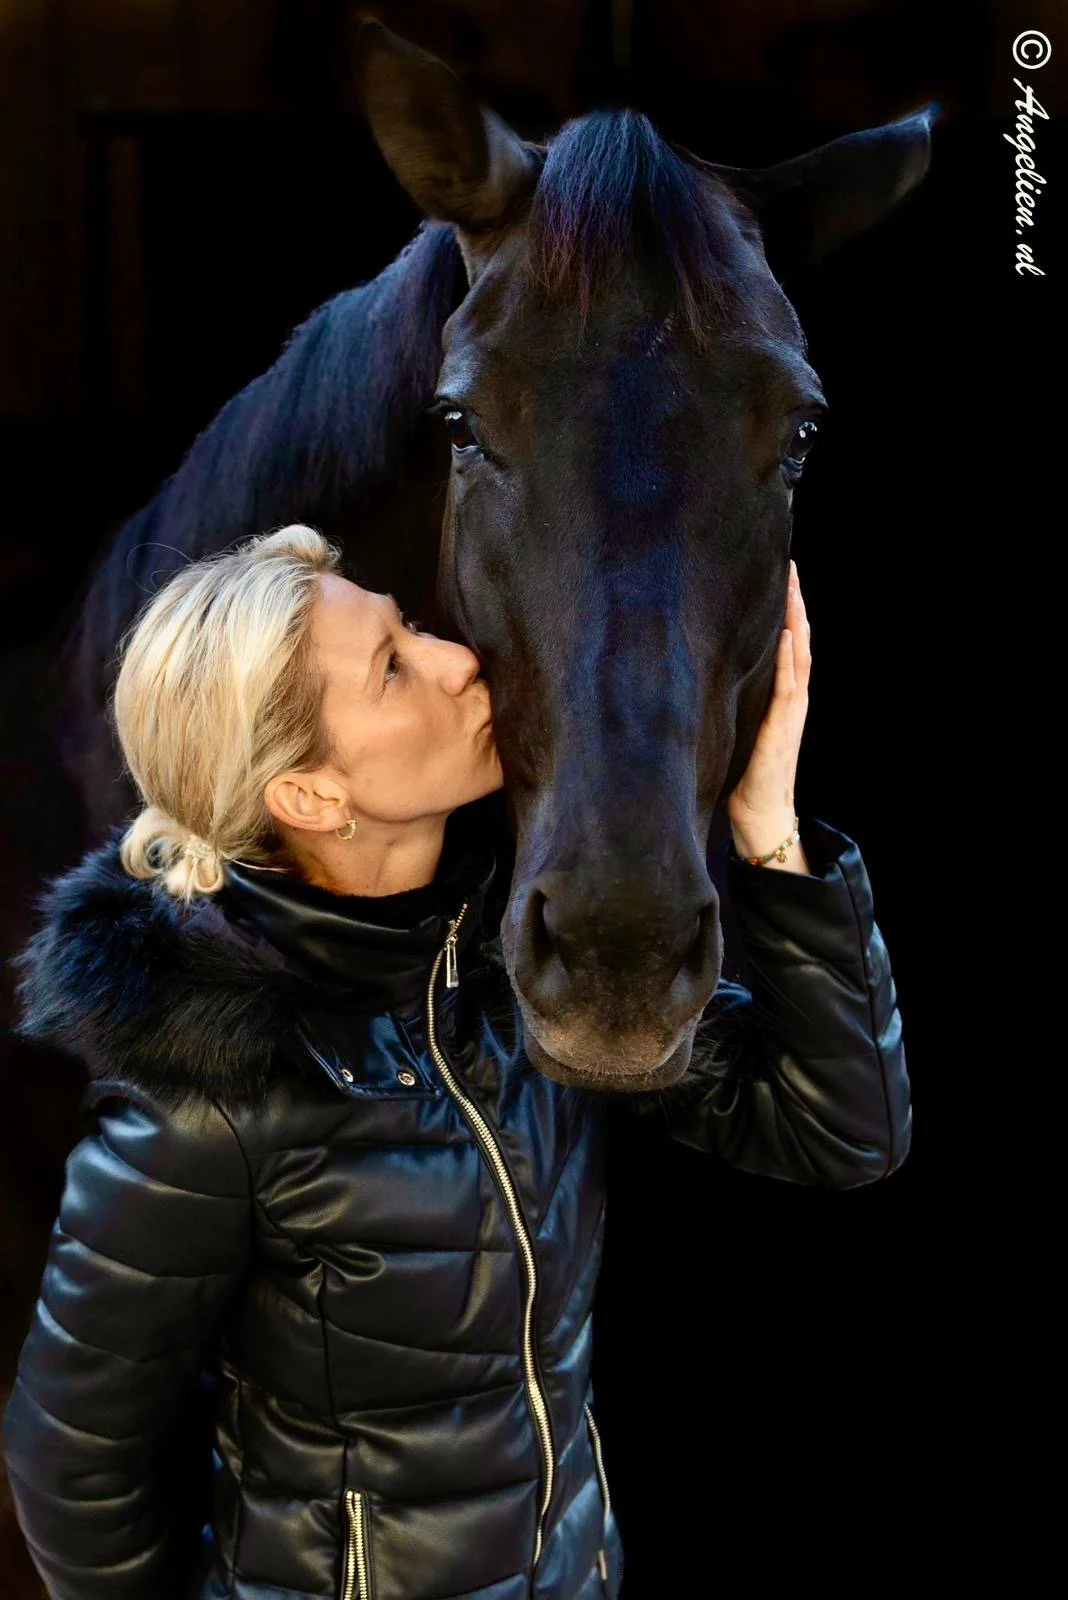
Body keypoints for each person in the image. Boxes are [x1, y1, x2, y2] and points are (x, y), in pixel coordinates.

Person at [1, 524, 911, 1600]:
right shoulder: (208, 1094)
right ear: (310, 795)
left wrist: (767, 829)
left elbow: (839, 1127)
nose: (458, 660)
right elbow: (73, 1464)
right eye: (393, 667)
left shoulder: (522, 963)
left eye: (412, 627)